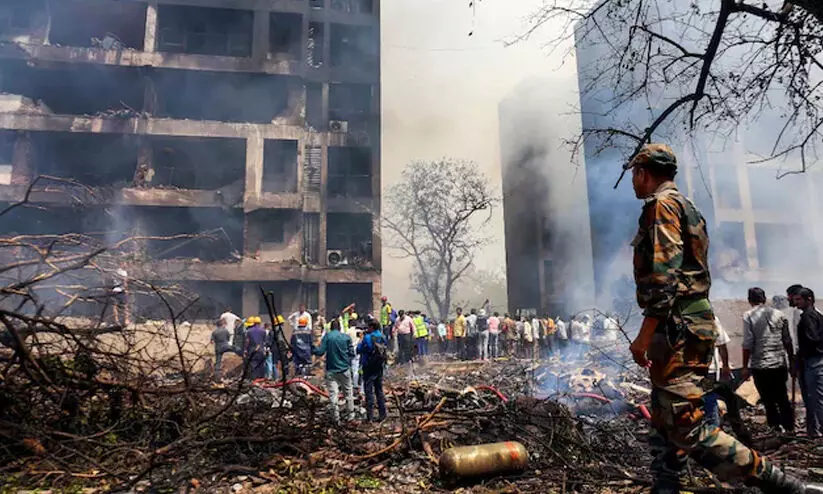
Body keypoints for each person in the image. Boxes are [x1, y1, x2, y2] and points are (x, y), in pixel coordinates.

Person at [626, 143, 815, 492]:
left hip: (676, 325)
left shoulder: (662, 206)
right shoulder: (689, 206)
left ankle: (783, 485)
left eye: (634, 174)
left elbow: (662, 277)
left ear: (643, 171)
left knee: (686, 425)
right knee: (665, 416)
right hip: (690, 322)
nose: (633, 182)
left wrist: (643, 335)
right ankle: (665, 486)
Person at [740, 287, 795, 433]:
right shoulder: (779, 314)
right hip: (779, 364)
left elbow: (747, 343)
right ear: (764, 299)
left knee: (768, 399)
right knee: (782, 396)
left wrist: (745, 367)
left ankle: (775, 428)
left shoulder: (748, 315)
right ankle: (790, 428)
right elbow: (787, 340)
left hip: (761, 365)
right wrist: (791, 361)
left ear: (749, 300)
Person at [312, 318, 355, 424]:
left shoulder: (328, 337)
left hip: (331, 370)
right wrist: (346, 362)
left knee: (333, 395)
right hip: (345, 370)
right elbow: (352, 354)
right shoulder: (346, 337)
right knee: (348, 394)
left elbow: (320, 352)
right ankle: (351, 417)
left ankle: (336, 419)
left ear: (330, 328)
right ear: (340, 327)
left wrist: (311, 347)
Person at [795, 287, 823, 438]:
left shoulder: (808, 317)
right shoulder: (817, 315)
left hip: (813, 362)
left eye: (799, 299)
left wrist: (801, 355)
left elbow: (812, 339)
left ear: (809, 299)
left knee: (817, 400)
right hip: (816, 360)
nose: (796, 302)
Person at [358, 320, 388, 422]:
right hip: (379, 366)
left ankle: (370, 416)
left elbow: (359, 349)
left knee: (369, 391)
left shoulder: (367, 337)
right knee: (379, 391)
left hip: (368, 367)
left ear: (372, 327)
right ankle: (382, 415)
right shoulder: (382, 336)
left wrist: (361, 339)